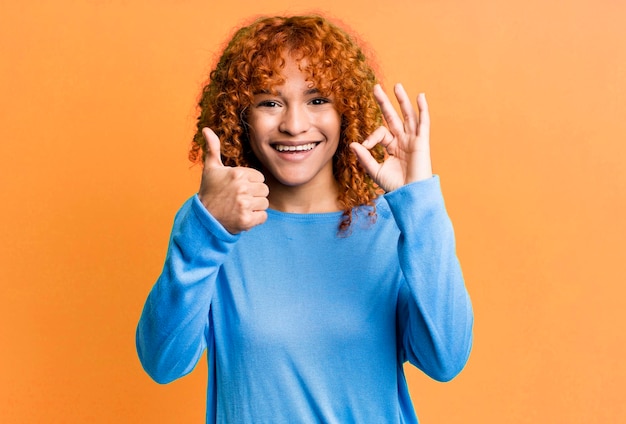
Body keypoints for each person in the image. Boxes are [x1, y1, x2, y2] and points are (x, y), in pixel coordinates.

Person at [136, 14, 473, 423]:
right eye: (269, 102)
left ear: (345, 109)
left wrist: (419, 205)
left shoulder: (391, 226)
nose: (294, 125)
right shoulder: (216, 227)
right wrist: (206, 228)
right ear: (241, 115)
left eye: (317, 100)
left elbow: (447, 359)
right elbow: (163, 361)